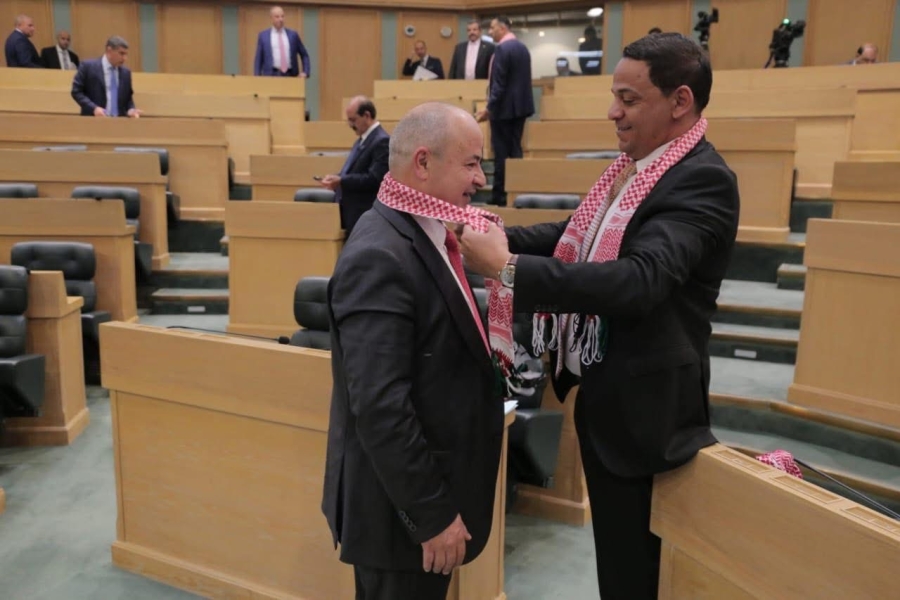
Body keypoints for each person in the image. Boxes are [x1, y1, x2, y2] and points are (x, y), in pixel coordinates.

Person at [459, 33, 740, 600]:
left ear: (680, 101)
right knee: (618, 565)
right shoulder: (635, 168)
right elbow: (574, 237)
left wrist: (507, 267)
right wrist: (483, 234)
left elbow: (639, 281)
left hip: (650, 417)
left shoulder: (702, 179)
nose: (613, 112)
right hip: (608, 400)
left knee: (635, 575)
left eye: (629, 99)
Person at [322, 102, 504, 600]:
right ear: (422, 162)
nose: (480, 179)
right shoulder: (379, 254)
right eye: (471, 163)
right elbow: (380, 406)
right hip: (402, 523)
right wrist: (432, 514)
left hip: (422, 506)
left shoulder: (425, 231)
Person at [476, 16, 534, 207]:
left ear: (502, 28)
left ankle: (500, 196)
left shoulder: (502, 49)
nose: (490, 31)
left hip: (503, 110)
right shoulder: (523, 48)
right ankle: (517, 192)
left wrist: (489, 108)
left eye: (492, 27)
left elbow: (499, 84)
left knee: (501, 154)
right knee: (515, 151)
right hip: (520, 108)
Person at [317, 96, 389, 234]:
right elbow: (353, 171)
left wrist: (342, 180)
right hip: (352, 213)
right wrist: (336, 178)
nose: (350, 125)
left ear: (367, 115)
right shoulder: (362, 140)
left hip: (364, 214)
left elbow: (374, 179)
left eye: (353, 120)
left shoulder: (382, 141)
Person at [71, 36, 141, 118]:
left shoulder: (126, 73)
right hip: (93, 120)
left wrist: (131, 110)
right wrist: (93, 108)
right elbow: (76, 91)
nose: (125, 58)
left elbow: (128, 99)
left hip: (119, 122)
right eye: (121, 53)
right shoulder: (88, 67)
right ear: (109, 50)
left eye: (126, 54)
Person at [253, 6, 310, 78]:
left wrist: (305, 72)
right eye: (277, 17)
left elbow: (304, 55)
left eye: (282, 16)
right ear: (271, 18)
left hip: (291, 75)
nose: (281, 19)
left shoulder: (293, 35)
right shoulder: (263, 36)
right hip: (271, 75)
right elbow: (258, 59)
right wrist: (257, 76)